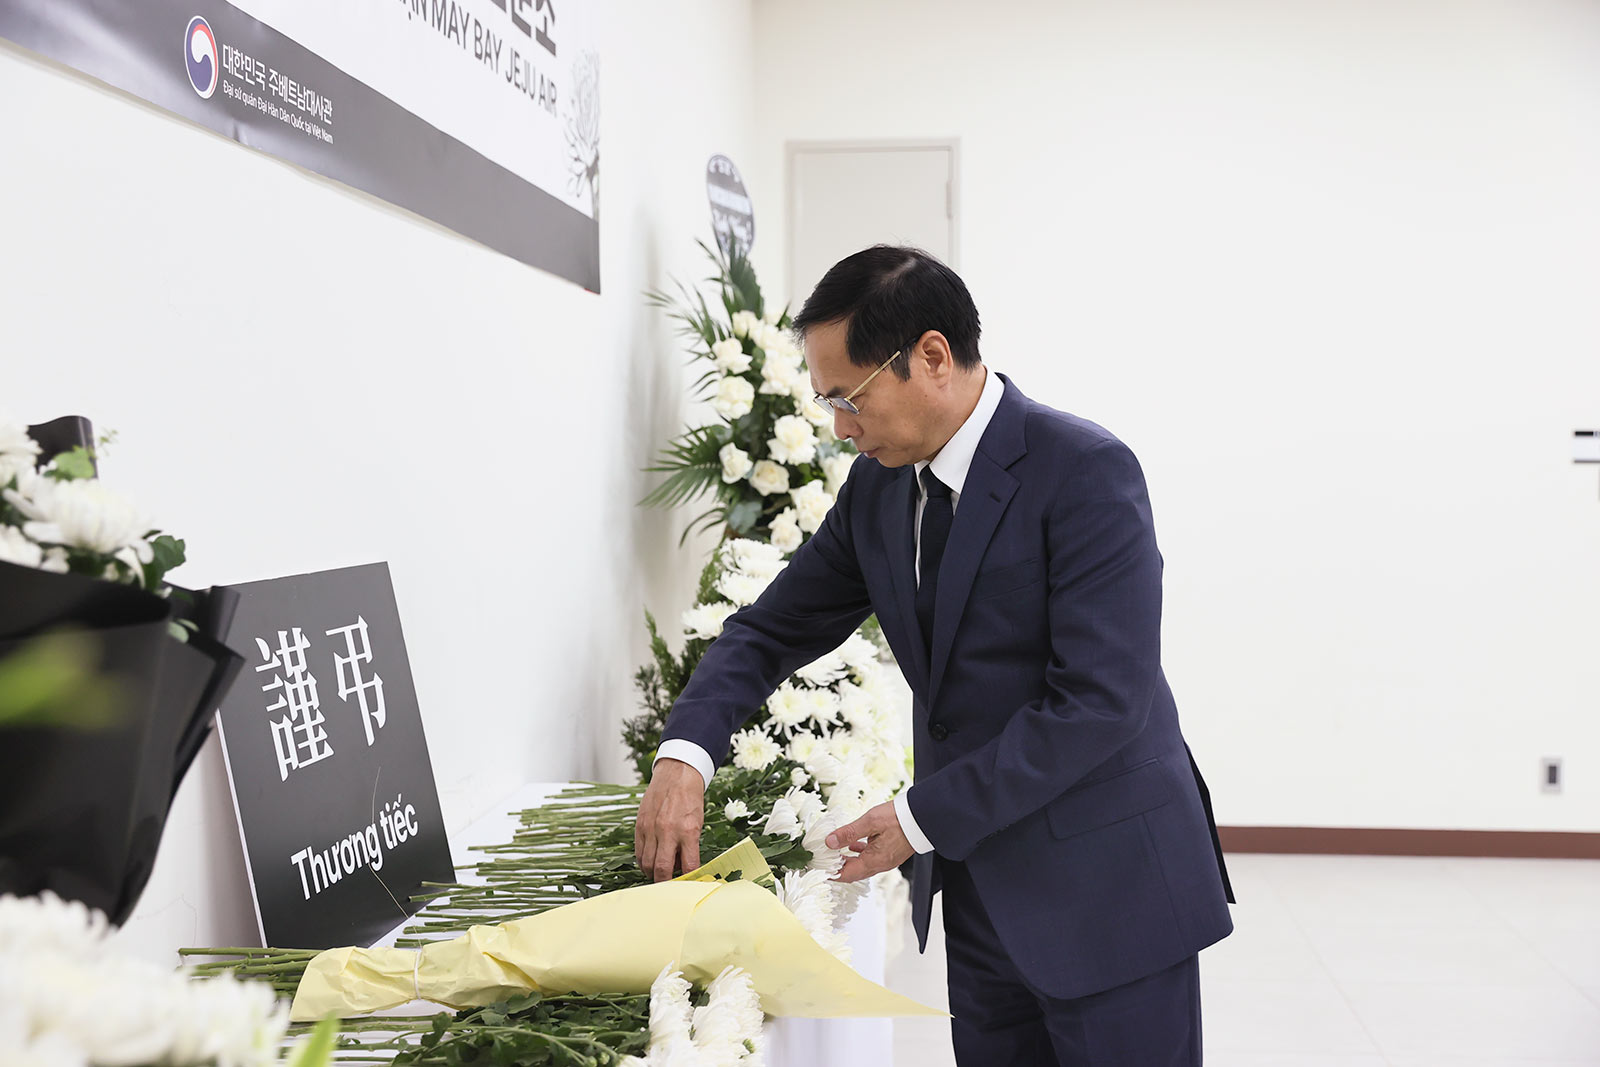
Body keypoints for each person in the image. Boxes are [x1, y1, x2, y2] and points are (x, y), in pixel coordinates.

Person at [634, 245, 1234, 1066]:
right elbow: (771, 628)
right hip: (982, 889)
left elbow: (1099, 702)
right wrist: (684, 753)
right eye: (826, 402)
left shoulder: (1084, 471)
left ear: (932, 356)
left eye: (849, 398)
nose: (840, 428)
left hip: (1110, 893)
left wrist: (920, 819)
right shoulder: (879, 489)